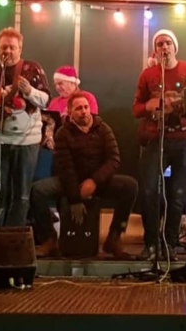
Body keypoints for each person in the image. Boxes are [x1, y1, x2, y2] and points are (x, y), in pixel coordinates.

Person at [29, 92, 137, 258]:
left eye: (86, 107)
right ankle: (49, 239)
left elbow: (113, 159)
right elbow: (66, 169)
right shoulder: (62, 133)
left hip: (98, 182)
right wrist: (75, 198)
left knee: (130, 186)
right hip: (70, 183)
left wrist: (94, 181)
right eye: (79, 108)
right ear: (70, 112)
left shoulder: (103, 129)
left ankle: (114, 237)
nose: (84, 111)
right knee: (37, 191)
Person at [0, 27, 50, 228]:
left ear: (20, 49)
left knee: (21, 195)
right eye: (4, 47)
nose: (8, 51)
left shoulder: (33, 69)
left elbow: (46, 101)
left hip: (26, 142)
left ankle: (14, 239)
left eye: (12, 47)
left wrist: (29, 91)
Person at [132, 29, 186, 261]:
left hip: (184, 142)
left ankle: (170, 244)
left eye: (168, 43)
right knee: (150, 191)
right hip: (155, 140)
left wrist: (184, 106)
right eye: (160, 44)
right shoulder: (148, 75)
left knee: (178, 195)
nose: (164, 47)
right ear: (156, 49)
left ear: (175, 47)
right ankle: (151, 243)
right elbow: (136, 109)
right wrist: (151, 105)